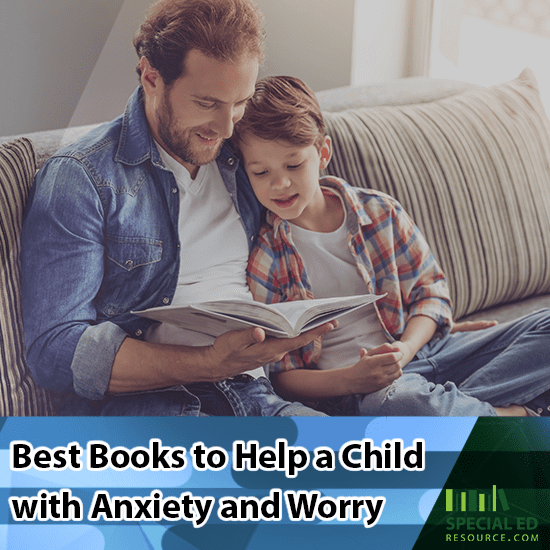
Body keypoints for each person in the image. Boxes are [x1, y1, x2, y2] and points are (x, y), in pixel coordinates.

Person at [20, 0, 337, 416]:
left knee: (384, 468)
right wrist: (207, 363)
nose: (226, 129)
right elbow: (54, 349)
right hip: (154, 406)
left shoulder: (245, 156)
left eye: (238, 102)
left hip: (253, 394)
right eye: (207, 103)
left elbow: (319, 194)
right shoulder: (81, 178)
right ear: (151, 77)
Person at [233, 75, 550, 417]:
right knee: (405, 403)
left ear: (323, 153)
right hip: (369, 390)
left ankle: (463, 413)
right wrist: (351, 380)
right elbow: (280, 375)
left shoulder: (379, 212)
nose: (280, 183)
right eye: (261, 172)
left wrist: (406, 347)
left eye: (294, 164)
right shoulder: (267, 259)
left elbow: (431, 293)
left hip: (431, 350)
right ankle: (513, 416)